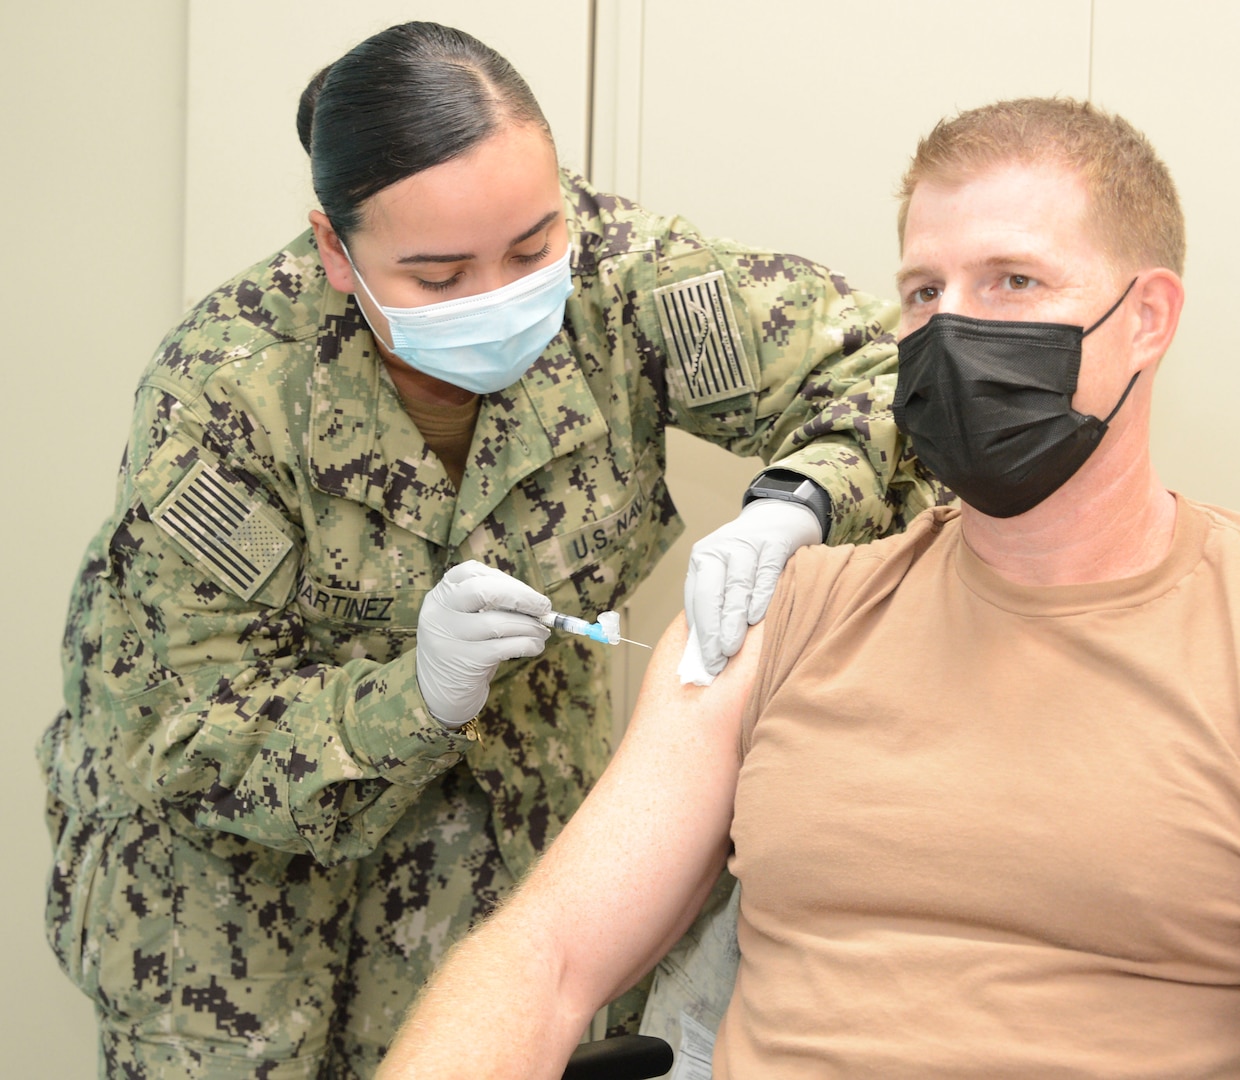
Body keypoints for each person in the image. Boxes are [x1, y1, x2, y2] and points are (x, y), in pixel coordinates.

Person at [376, 97, 1240, 1080]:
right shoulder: (778, 619)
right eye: (923, 291)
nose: (953, 330)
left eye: (1012, 281)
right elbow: (547, 955)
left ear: (1147, 317)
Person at [37, 21, 936, 1079]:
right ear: (337, 251)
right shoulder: (228, 393)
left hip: (503, 842)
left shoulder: (620, 280)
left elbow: (903, 373)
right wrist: (413, 695)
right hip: (236, 919)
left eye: (529, 247)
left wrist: (799, 500)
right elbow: (178, 737)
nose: (500, 297)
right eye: (437, 275)